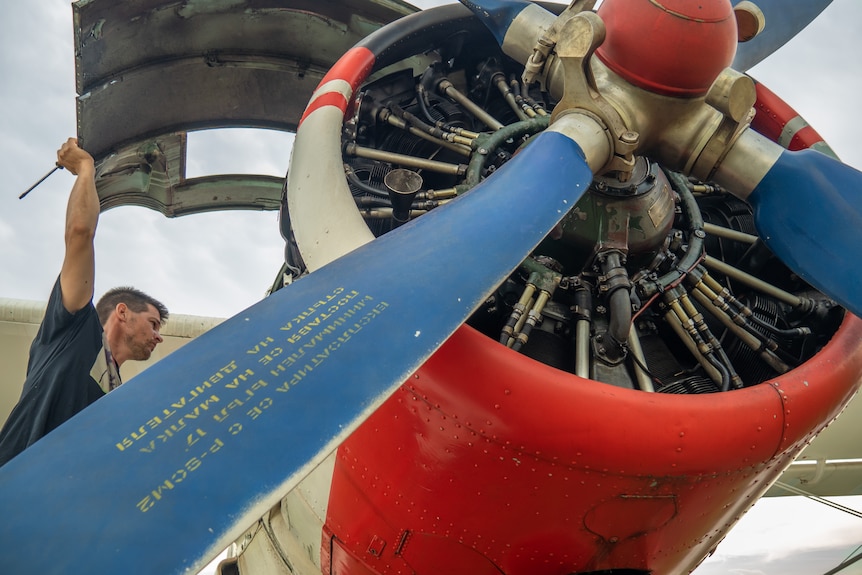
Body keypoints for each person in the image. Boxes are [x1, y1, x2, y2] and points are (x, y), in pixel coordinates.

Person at [0, 138, 168, 467]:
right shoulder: (74, 326)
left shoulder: (117, 397)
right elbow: (80, 232)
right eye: (153, 324)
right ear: (122, 313)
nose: (159, 337)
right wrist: (85, 169)